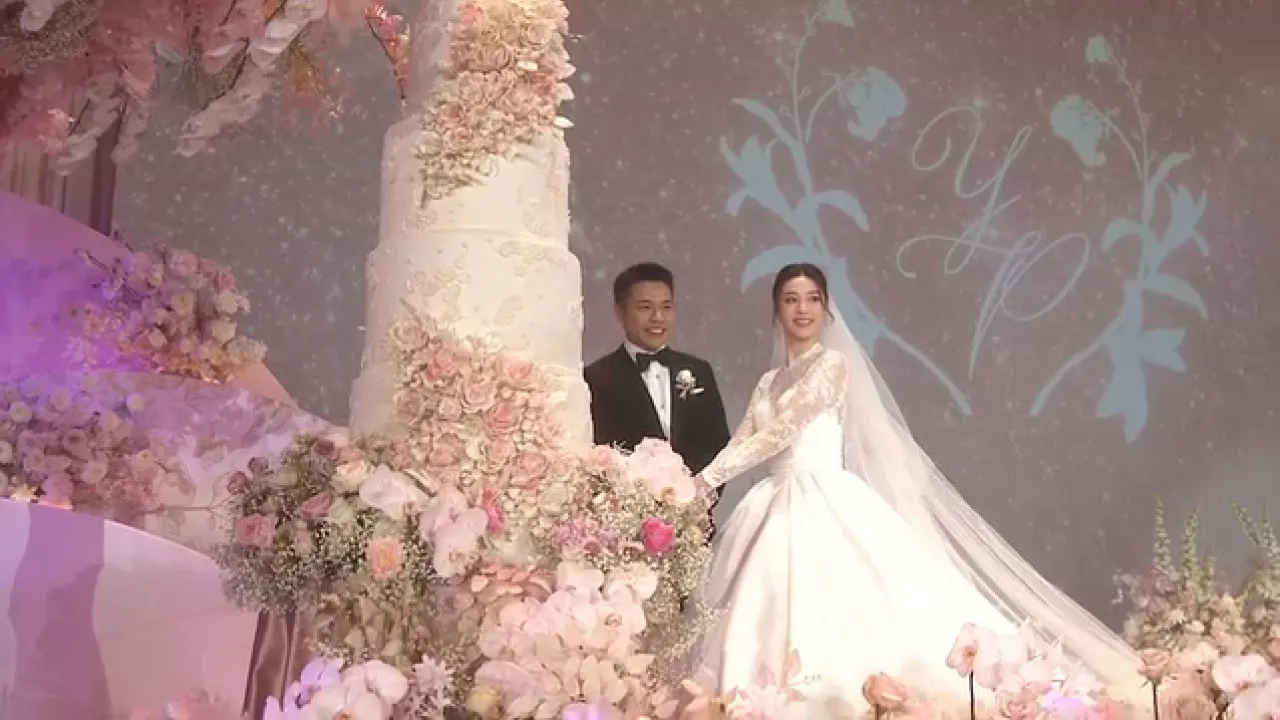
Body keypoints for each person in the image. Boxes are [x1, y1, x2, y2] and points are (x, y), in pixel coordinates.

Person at [692, 263, 1145, 716]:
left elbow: (782, 432)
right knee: (763, 607)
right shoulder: (768, 382)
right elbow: (744, 437)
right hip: (775, 503)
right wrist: (698, 482)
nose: (802, 309)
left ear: (826, 308)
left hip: (823, 498)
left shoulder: (832, 365)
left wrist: (706, 480)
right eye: (791, 299)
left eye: (813, 299)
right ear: (776, 309)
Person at [584, 263, 731, 529]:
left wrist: (695, 504)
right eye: (645, 308)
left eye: (666, 307)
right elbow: (596, 455)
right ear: (620, 312)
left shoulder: (699, 371)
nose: (658, 317)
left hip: (694, 524)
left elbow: (718, 446)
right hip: (628, 528)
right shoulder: (597, 377)